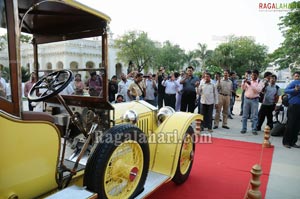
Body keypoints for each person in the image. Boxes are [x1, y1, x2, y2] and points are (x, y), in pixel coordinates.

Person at [240, 69, 264, 135]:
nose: (253, 77)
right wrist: (243, 83)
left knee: (254, 116)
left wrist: (250, 85)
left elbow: (258, 90)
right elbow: (243, 89)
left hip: (255, 100)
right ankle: (243, 128)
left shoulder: (260, 82)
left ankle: (254, 129)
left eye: (254, 75)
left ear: (257, 75)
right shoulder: (248, 80)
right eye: (252, 75)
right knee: (244, 115)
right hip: (246, 99)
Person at [282, 71, 300, 148]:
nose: (297, 78)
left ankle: (293, 142)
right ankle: (286, 142)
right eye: (296, 76)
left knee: (297, 125)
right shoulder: (294, 83)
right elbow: (286, 90)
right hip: (293, 106)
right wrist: (295, 90)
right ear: (293, 77)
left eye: (299, 76)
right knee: (290, 124)